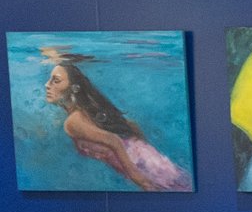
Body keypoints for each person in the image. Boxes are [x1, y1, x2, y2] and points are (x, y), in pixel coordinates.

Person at [41, 60, 188, 191]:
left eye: (56, 80)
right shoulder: (84, 113)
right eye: (50, 80)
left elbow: (113, 140)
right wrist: (146, 152)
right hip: (146, 160)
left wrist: (139, 178)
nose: (47, 85)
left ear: (73, 88)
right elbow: (132, 126)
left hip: (141, 167)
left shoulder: (73, 122)